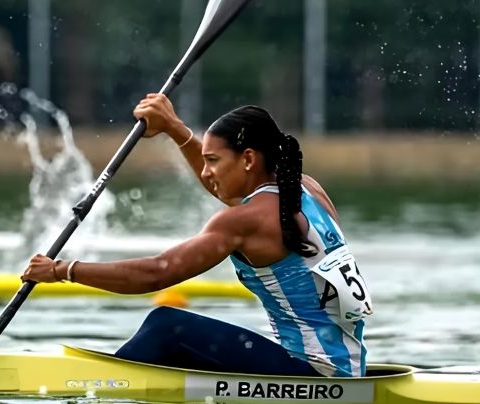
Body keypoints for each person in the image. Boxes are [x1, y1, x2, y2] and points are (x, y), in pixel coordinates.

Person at [22, 93, 373, 377]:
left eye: (214, 161)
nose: (207, 173)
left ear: (248, 159)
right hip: (347, 368)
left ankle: (102, 388)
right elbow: (225, 189)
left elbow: (158, 272)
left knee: (166, 326)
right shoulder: (307, 190)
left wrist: (62, 270)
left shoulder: (244, 222)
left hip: (313, 376)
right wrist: (174, 128)